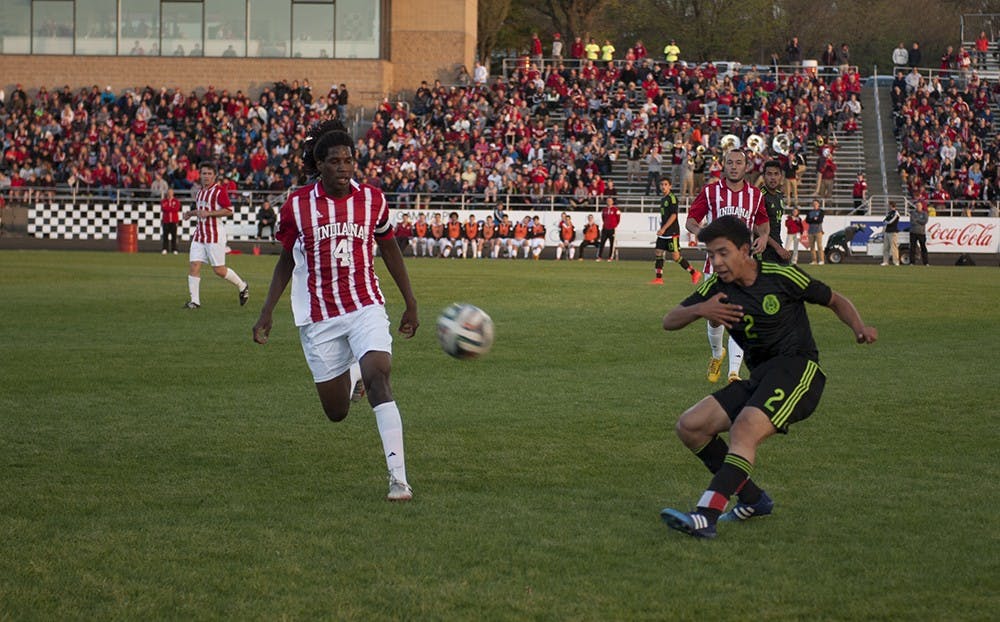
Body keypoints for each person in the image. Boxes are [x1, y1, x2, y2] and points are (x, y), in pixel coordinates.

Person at [658, 216, 878, 539]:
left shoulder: (780, 275)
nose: (716, 262)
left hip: (799, 371)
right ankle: (752, 499)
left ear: (745, 250)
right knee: (690, 426)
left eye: (723, 253)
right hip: (761, 377)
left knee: (744, 427)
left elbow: (834, 299)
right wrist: (700, 310)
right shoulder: (715, 287)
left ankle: (706, 515)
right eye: (711, 255)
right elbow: (669, 320)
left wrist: (859, 328)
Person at [252, 121, 419, 502]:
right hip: (319, 315)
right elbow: (285, 262)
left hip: (365, 304)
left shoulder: (373, 199)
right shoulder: (297, 206)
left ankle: (399, 478)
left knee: (381, 375)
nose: (344, 168)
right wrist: (267, 311)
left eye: (349, 160)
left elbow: (390, 248)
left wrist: (410, 301)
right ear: (319, 164)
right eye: (335, 161)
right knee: (337, 411)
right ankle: (352, 370)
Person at [686, 149, 770, 385]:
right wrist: (704, 233)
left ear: (747, 167)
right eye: (730, 162)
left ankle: (734, 372)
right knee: (714, 318)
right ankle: (717, 354)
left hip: (743, 266)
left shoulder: (755, 195)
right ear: (724, 166)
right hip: (715, 266)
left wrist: (763, 238)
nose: (734, 166)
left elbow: (763, 223)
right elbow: (691, 220)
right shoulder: (711, 191)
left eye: (739, 163)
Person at [182, 161, 249, 309]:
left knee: (219, 270)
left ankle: (242, 285)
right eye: (204, 173)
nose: (206, 176)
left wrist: (210, 213)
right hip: (200, 234)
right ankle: (195, 302)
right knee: (194, 265)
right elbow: (201, 211)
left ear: (215, 176)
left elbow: (229, 210)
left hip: (214, 235)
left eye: (209, 174)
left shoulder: (219, 191)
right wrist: (190, 214)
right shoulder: (200, 192)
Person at [652, 178, 701, 284]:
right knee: (658, 252)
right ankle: (659, 278)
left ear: (670, 186)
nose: (663, 186)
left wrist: (664, 228)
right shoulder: (663, 199)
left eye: (665, 184)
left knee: (676, 256)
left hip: (672, 232)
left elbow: (674, 215)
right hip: (664, 232)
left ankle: (694, 273)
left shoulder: (672, 198)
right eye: (661, 184)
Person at [759, 160, 791, 264]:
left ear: (781, 176)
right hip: (763, 248)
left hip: (777, 244)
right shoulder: (759, 196)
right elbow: (757, 228)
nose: (773, 178)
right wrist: (778, 248)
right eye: (769, 174)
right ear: (763, 177)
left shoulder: (779, 195)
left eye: (776, 174)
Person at [597, 197, 621, 261]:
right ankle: (599, 257)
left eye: (610, 201)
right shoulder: (604, 210)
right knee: (602, 243)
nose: (609, 202)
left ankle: (610, 257)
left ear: (612, 202)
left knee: (612, 244)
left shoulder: (616, 210)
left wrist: (614, 226)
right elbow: (603, 218)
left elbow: (618, 219)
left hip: (612, 229)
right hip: (605, 228)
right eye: (608, 201)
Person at [160, 188, 181, 255]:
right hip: (166, 221)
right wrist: (171, 208)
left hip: (174, 221)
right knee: (165, 236)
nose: (169, 193)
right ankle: (165, 249)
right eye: (168, 192)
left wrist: (169, 208)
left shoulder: (176, 201)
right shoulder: (164, 201)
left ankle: (174, 249)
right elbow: (164, 208)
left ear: (173, 193)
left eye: (171, 192)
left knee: (174, 236)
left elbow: (176, 209)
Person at [804, 199, 825, 265]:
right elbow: (807, 220)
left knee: (819, 246)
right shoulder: (810, 212)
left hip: (818, 231)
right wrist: (814, 219)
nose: (815, 205)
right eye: (813, 203)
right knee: (812, 247)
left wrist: (812, 219)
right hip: (810, 231)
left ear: (818, 204)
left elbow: (820, 220)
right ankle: (814, 260)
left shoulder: (821, 211)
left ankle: (821, 260)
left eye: (816, 203)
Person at [909, 201, 929, 266]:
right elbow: (912, 221)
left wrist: (917, 220)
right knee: (912, 248)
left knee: (923, 248)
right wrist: (919, 221)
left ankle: (926, 262)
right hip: (913, 232)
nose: (918, 207)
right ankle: (912, 262)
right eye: (917, 206)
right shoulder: (913, 213)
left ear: (922, 206)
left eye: (919, 206)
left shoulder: (924, 213)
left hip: (921, 233)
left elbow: (925, 221)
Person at [881, 200, 900, 266]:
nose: (888, 206)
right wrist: (886, 222)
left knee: (894, 248)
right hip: (887, 231)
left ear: (891, 205)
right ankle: (885, 261)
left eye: (889, 205)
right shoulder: (889, 213)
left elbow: (891, 221)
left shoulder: (896, 213)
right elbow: (884, 220)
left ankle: (896, 261)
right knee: (886, 248)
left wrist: (886, 222)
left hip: (893, 232)